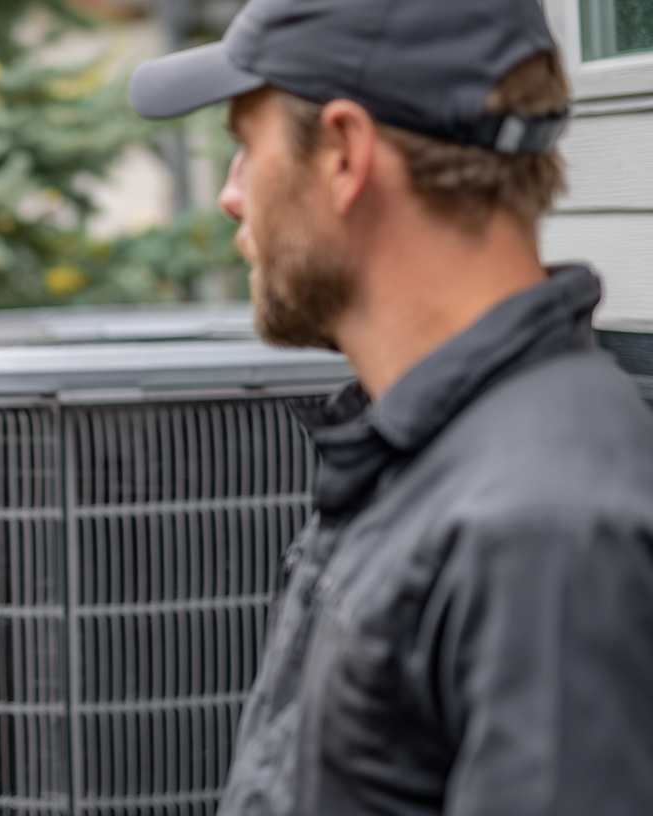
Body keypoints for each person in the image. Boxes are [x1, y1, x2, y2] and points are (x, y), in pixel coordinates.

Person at [129, 0, 653, 814]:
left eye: (247, 146)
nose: (231, 195)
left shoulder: (541, 526)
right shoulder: (431, 450)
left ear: (344, 153)